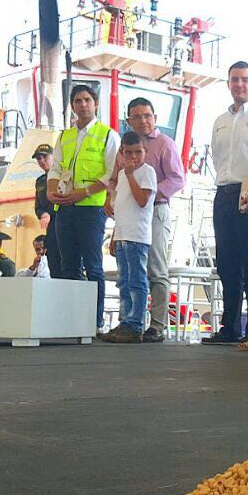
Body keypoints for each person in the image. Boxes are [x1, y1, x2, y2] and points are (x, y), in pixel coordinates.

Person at [205, 61, 248, 346]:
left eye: (245, 79)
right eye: (235, 79)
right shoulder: (220, 120)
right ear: (229, 84)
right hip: (224, 192)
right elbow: (216, 158)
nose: (240, 84)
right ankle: (229, 327)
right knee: (226, 262)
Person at [48, 85, 120, 331]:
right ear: (72, 105)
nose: (83, 105)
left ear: (96, 103)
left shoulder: (108, 134)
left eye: (87, 100)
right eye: (78, 101)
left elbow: (111, 172)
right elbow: (56, 167)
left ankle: (95, 320)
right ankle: (71, 320)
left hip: (90, 209)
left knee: (93, 265)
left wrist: (84, 192)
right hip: (64, 208)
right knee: (68, 265)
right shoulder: (64, 136)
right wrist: (51, 189)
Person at [115, 98, 185, 342]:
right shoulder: (125, 147)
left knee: (155, 268)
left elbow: (177, 179)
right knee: (128, 271)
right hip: (128, 215)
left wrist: (149, 191)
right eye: (137, 116)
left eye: (147, 115)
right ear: (129, 121)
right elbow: (117, 176)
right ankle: (130, 321)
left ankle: (156, 324)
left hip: (155, 210)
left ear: (155, 117)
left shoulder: (166, 144)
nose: (143, 120)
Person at [101, 132, 158, 344]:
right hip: (124, 232)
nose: (133, 157)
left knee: (137, 280)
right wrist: (115, 235)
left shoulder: (146, 172)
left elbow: (142, 200)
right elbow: (122, 208)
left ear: (146, 152)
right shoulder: (123, 175)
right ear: (121, 154)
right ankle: (125, 320)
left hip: (137, 235)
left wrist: (132, 174)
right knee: (124, 281)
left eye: (138, 152)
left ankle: (135, 324)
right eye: (128, 153)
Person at [31, 143, 60, 278]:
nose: (41, 161)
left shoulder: (63, 176)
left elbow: (63, 201)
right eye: (38, 159)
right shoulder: (40, 181)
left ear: (53, 157)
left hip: (64, 224)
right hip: (51, 230)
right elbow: (38, 206)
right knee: (52, 262)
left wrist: (52, 213)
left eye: (44, 157)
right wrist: (43, 214)